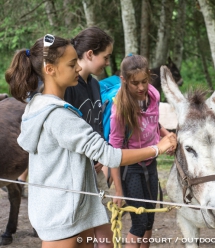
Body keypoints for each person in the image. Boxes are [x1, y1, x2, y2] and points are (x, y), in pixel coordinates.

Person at [5, 34, 176, 248]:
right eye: (71, 63)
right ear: (50, 70)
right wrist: (157, 148)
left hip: (72, 210)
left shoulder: (38, 105)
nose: (78, 67)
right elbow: (110, 155)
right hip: (64, 218)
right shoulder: (59, 117)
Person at [109, 54, 173, 248]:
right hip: (131, 169)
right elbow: (114, 151)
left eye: (144, 81)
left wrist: (166, 134)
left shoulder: (153, 95)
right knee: (139, 224)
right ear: (124, 80)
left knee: (150, 219)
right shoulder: (119, 110)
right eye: (134, 83)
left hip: (151, 163)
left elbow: (152, 122)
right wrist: (118, 190)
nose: (141, 87)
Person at [64, 27, 115, 247]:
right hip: (73, 176)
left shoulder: (95, 84)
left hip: (95, 172)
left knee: (106, 231)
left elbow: (96, 125)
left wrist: (101, 154)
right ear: (90, 54)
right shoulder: (67, 86)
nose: (107, 63)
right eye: (106, 57)